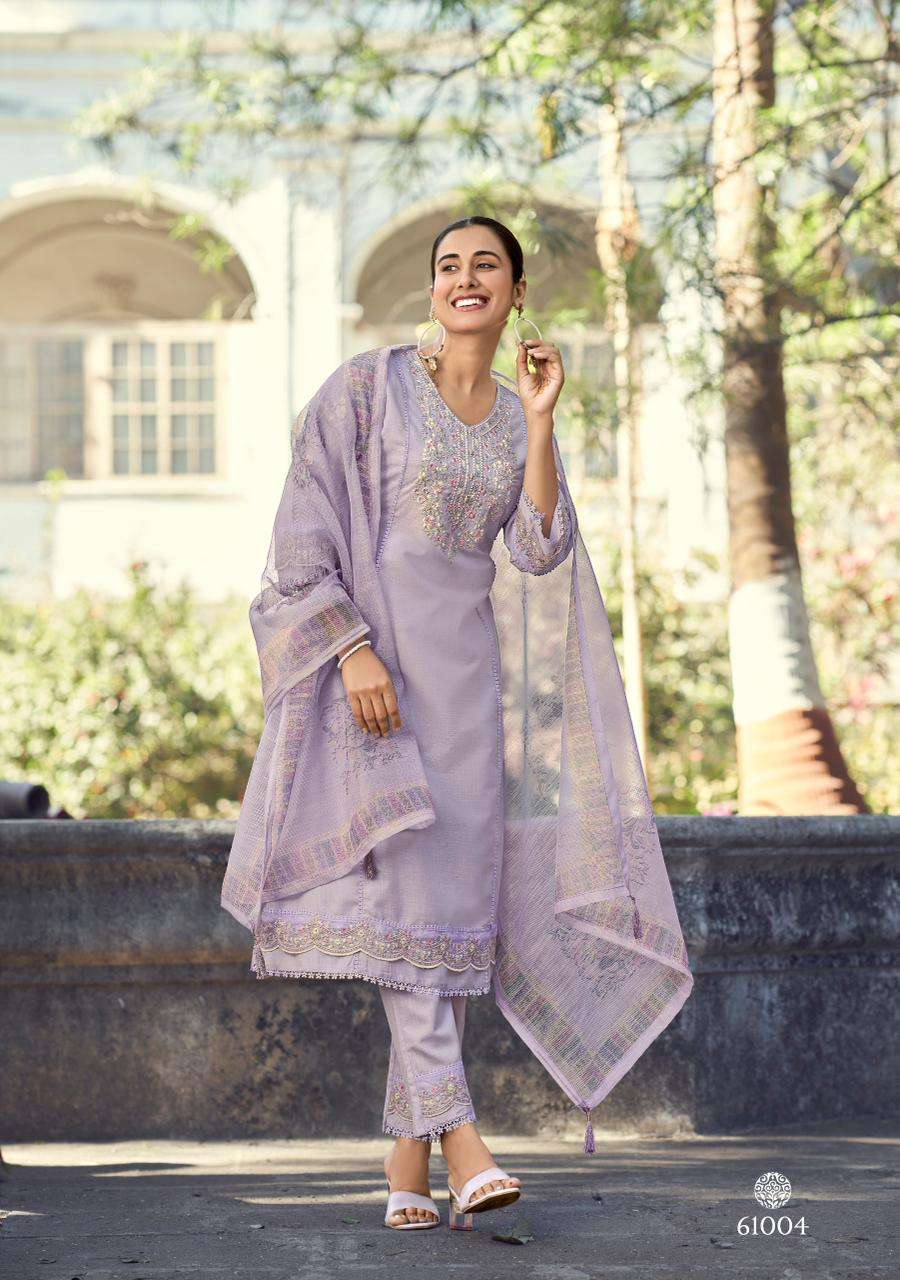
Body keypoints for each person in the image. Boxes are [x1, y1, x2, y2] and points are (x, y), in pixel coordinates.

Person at [221, 216, 694, 1232]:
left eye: (487, 265)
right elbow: (299, 540)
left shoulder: (517, 412)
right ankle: (464, 1140)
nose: (464, 278)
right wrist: (349, 650)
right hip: (374, 689)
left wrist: (541, 421)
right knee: (408, 909)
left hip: (466, 697)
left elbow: (539, 547)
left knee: (442, 921)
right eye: (448, 266)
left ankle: (406, 1159)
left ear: (516, 290)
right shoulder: (367, 389)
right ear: (433, 288)